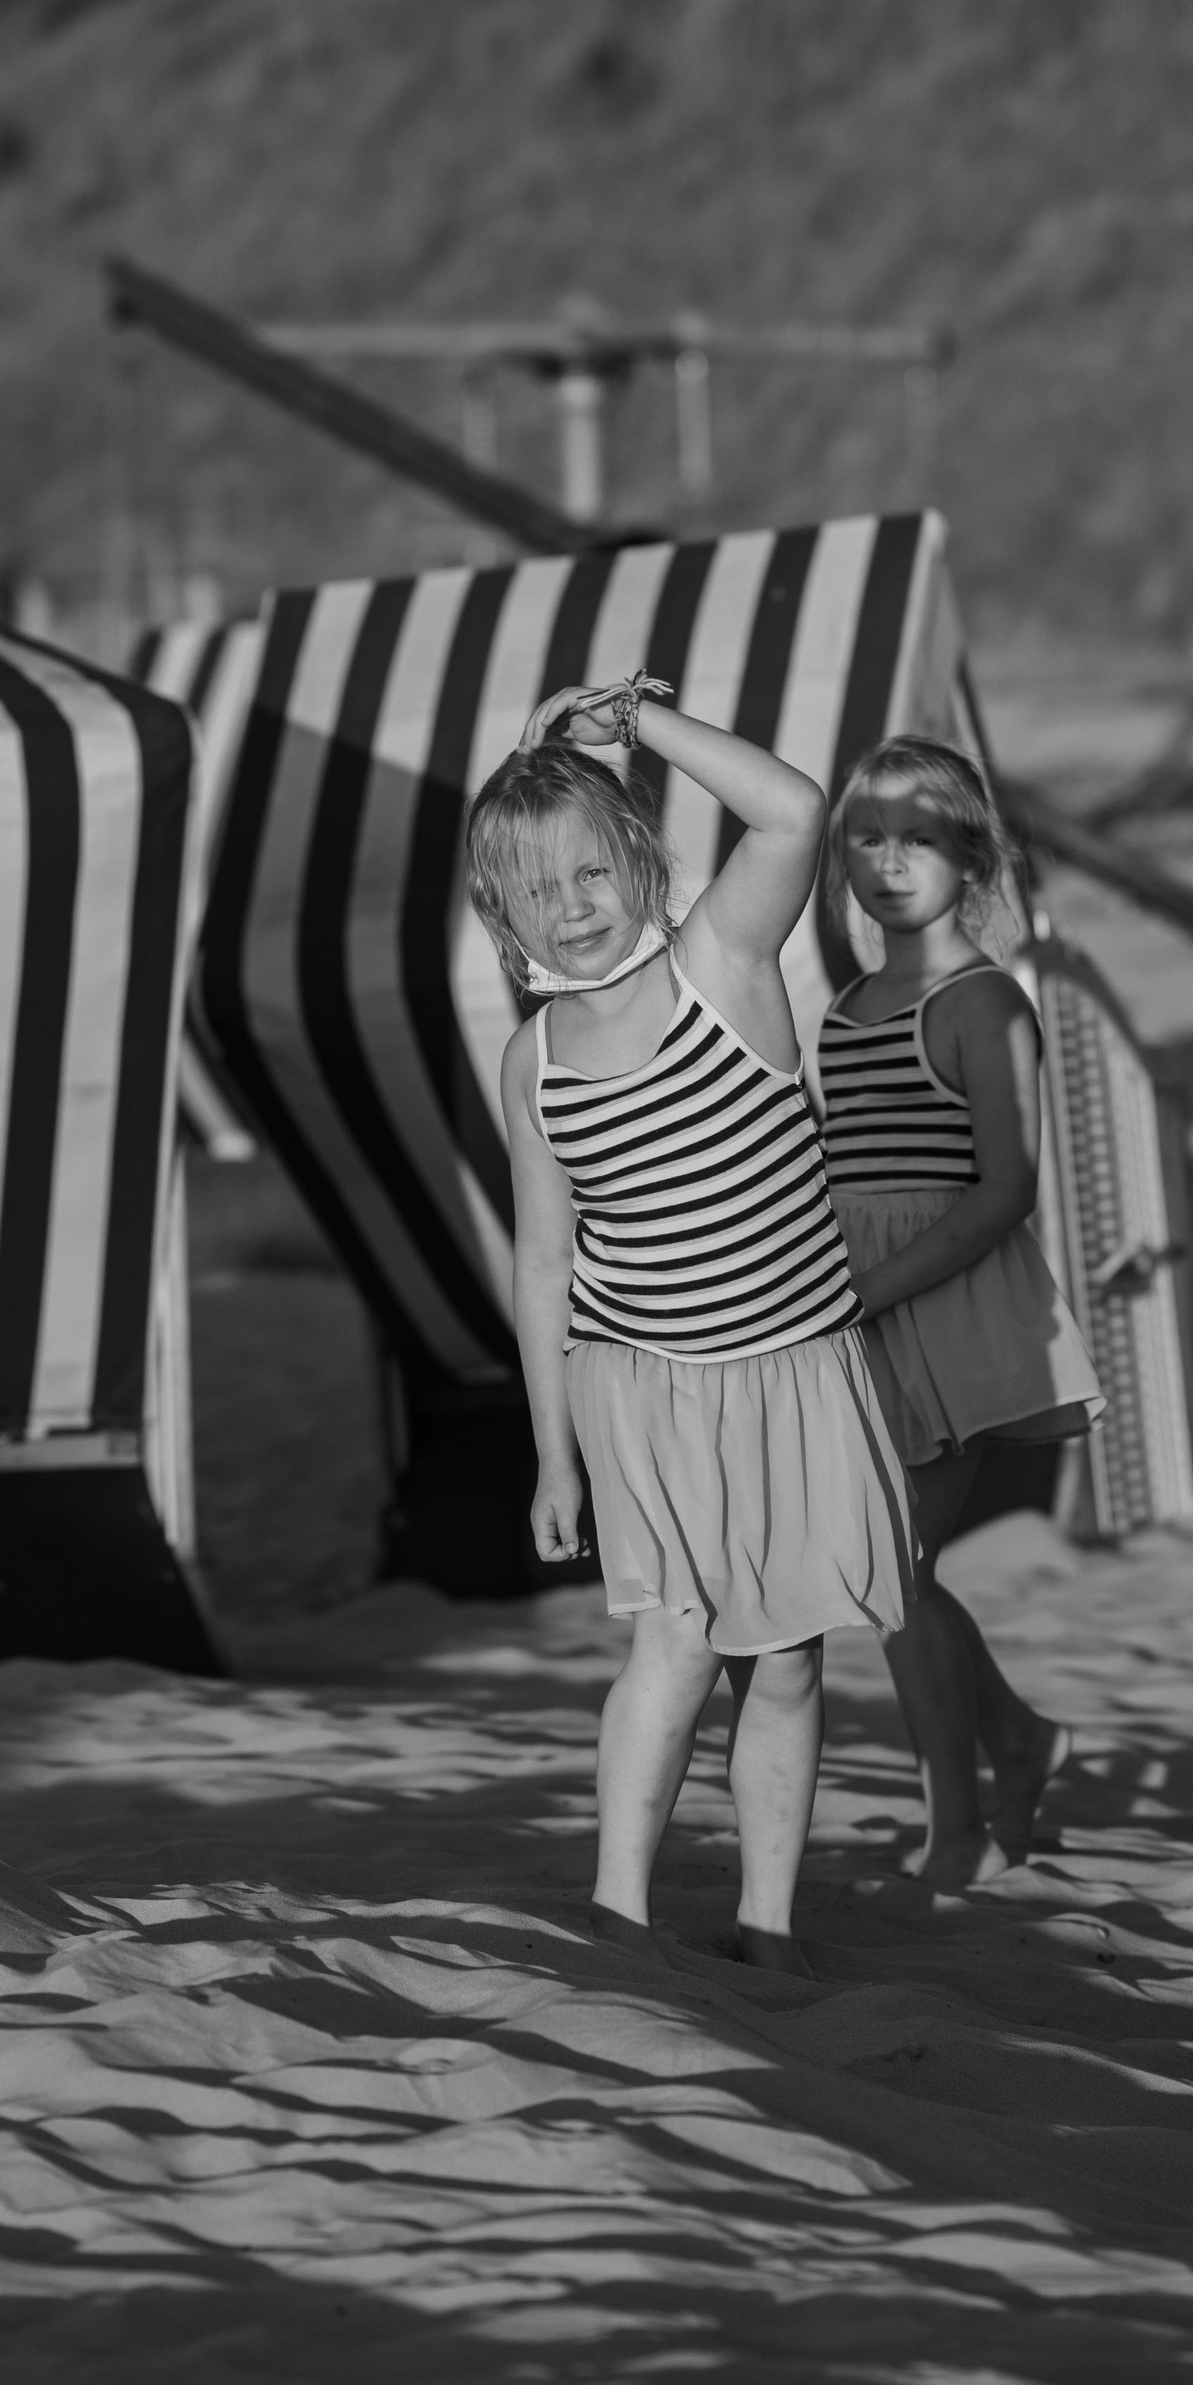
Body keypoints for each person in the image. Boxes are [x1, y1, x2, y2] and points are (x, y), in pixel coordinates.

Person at [467, 672, 912, 1975]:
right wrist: (551, 1452)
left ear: (641, 857)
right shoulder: (536, 1062)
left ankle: (767, 1927)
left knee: (785, 1661)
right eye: (537, 888)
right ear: (501, 915)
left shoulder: (723, 960)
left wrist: (633, 724)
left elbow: (794, 810)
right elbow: (543, 1263)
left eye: (590, 869)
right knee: (672, 1645)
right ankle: (619, 1913)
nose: (572, 904)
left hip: (795, 1373)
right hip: (646, 1388)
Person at [818, 735, 1104, 1889]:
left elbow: (1006, 1189)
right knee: (893, 1569)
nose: (890, 863)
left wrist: (867, 1291)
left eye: (919, 839)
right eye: (867, 839)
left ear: (974, 858)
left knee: (895, 1569)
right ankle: (1019, 1739)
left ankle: (958, 1827)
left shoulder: (983, 1003)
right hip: (858, 1313)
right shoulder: (847, 1007)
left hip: (942, 1309)